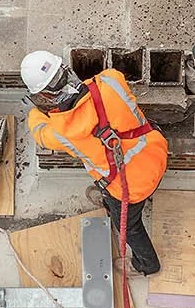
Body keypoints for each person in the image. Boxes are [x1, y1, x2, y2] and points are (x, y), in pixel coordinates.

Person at [20, 50, 169, 275]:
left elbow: (39, 130)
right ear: (67, 70)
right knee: (115, 196)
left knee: (128, 226)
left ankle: (147, 265)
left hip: (130, 189)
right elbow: (96, 95)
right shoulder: (111, 80)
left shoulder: (62, 132)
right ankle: (108, 202)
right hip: (156, 154)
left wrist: (34, 111)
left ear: (45, 95)